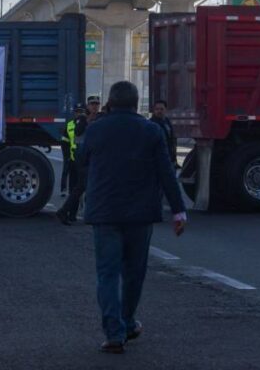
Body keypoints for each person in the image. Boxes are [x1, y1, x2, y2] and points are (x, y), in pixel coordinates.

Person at [79, 80, 187, 354]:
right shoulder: (151, 130)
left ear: (111, 102)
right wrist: (178, 209)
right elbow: (166, 172)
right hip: (140, 213)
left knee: (107, 274)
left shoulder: (96, 129)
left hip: (104, 212)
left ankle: (113, 332)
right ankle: (127, 321)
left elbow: (81, 160)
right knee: (134, 273)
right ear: (137, 102)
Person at [56, 104, 89, 225]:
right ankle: (69, 213)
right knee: (77, 188)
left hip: (80, 160)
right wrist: (67, 158)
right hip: (76, 161)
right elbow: (65, 143)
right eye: (78, 112)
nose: (79, 114)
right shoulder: (71, 125)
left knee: (78, 188)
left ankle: (70, 214)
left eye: (82, 112)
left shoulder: (87, 123)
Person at [149, 99, 178, 169]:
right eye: (157, 109)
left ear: (165, 110)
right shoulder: (150, 124)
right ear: (154, 110)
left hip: (170, 158)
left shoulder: (167, 122)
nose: (159, 111)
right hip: (157, 161)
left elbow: (172, 140)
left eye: (161, 109)